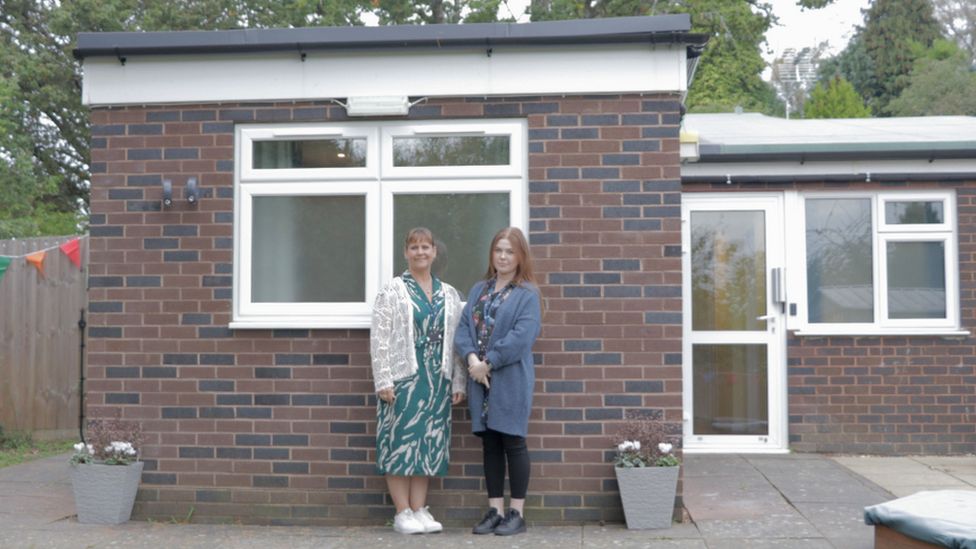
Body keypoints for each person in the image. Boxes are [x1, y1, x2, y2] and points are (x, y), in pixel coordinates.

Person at [370, 228, 466, 535]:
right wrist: (383, 378)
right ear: (406, 252)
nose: (421, 252)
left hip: (437, 379)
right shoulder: (392, 291)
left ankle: (420, 508)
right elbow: (379, 338)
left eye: (426, 246)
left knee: (428, 443)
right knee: (400, 442)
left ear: (435, 252)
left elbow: (456, 341)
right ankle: (402, 512)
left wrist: (459, 381)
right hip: (403, 379)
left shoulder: (449, 293)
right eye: (414, 247)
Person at [454, 227, 542, 536]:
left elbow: (522, 337)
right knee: (490, 444)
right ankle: (495, 510)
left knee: (513, 442)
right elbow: (463, 329)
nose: (503, 256)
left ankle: (517, 514)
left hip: (510, 379)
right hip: (480, 379)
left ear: (520, 256)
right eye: (498, 250)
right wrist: (472, 361)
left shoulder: (527, 294)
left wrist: (489, 362)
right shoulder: (479, 289)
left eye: (510, 251)